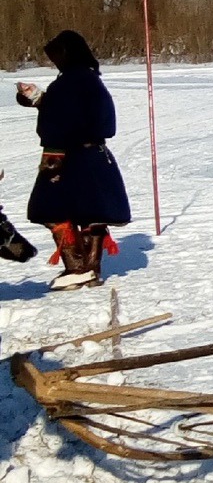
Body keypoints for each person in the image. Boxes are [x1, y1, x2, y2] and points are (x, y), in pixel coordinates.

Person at [17, 30, 131, 291]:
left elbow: (61, 120)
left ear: (66, 54)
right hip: (94, 156)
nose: (54, 62)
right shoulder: (88, 79)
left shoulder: (70, 82)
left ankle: (78, 267)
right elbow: (73, 112)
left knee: (49, 209)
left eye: (56, 56)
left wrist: (52, 156)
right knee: (91, 212)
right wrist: (39, 99)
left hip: (71, 157)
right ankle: (89, 268)